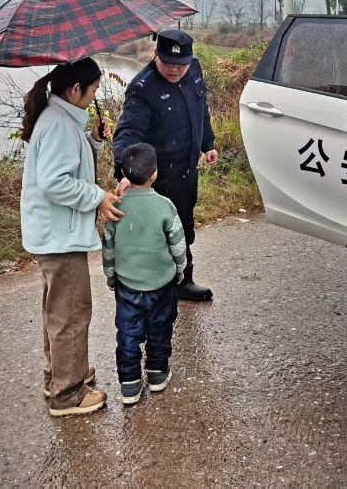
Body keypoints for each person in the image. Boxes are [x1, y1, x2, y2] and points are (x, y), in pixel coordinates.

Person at [19, 57, 125, 417]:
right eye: (93, 89)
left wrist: (92, 141)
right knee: (73, 312)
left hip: (53, 234)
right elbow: (55, 183)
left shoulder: (58, 118)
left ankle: (62, 373)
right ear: (75, 89)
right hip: (60, 238)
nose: (95, 94)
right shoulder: (59, 124)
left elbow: (66, 163)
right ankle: (68, 392)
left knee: (59, 311)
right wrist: (98, 197)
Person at [112, 29, 218, 302]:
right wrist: (127, 173)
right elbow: (128, 132)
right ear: (155, 54)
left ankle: (182, 280)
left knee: (183, 224)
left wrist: (208, 143)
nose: (174, 70)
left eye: (180, 64)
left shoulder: (193, 69)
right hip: (158, 175)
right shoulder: (143, 87)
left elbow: (201, 108)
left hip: (187, 168)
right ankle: (153, 285)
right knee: (159, 230)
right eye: (167, 63)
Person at [102, 143, 187, 405]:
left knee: (128, 334)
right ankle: (157, 374)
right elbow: (178, 245)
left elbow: (109, 249)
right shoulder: (165, 206)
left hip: (127, 286)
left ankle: (129, 384)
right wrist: (180, 270)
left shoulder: (115, 208)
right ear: (154, 174)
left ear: (125, 174)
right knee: (160, 329)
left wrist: (111, 277)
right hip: (162, 283)